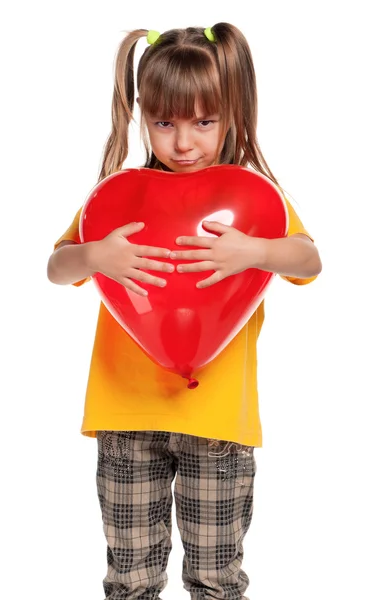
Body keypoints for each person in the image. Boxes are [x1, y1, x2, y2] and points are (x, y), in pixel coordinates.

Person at [47, 23, 322, 600]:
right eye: (164, 121)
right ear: (142, 115)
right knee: (131, 579)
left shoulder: (253, 198)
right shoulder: (117, 197)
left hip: (217, 422)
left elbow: (308, 259)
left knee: (217, 579)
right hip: (126, 418)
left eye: (205, 121)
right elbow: (57, 268)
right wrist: (96, 254)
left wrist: (256, 250)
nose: (184, 142)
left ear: (233, 114)